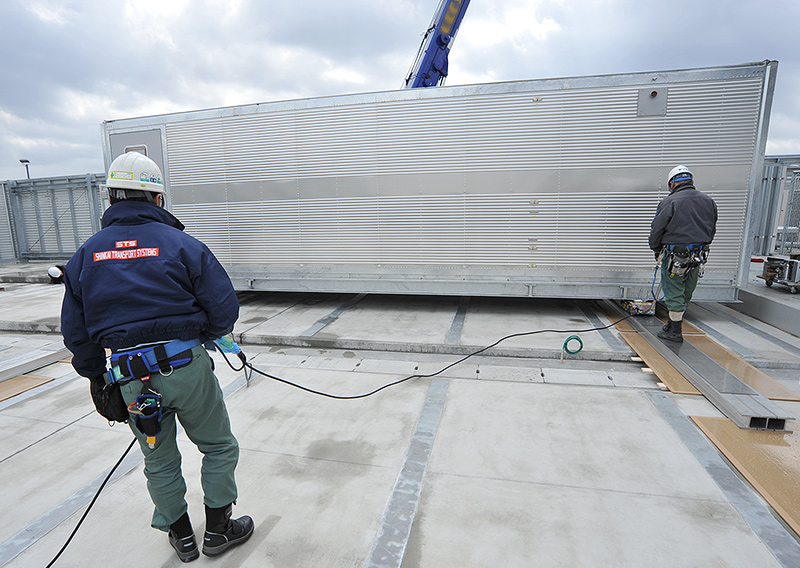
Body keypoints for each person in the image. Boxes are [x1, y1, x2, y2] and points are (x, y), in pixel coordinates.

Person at [60, 151, 254, 562]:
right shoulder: (183, 245)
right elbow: (223, 310)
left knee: (158, 458)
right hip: (187, 367)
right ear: (157, 199)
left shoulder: (85, 256)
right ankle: (218, 530)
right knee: (218, 445)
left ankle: (182, 537)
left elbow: (77, 333)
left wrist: (97, 377)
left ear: (110, 198)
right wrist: (201, 336)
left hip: (131, 378)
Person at [649, 165, 718, 342]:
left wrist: (656, 249)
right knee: (687, 290)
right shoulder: (708, 201)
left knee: (674, 290)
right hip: (697, 255)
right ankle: (672, 324)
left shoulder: (669, 202)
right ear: (692, 181)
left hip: (675, 255)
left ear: (672, 183)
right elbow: (712, 229)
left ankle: (675, 332)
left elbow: (657, 230)